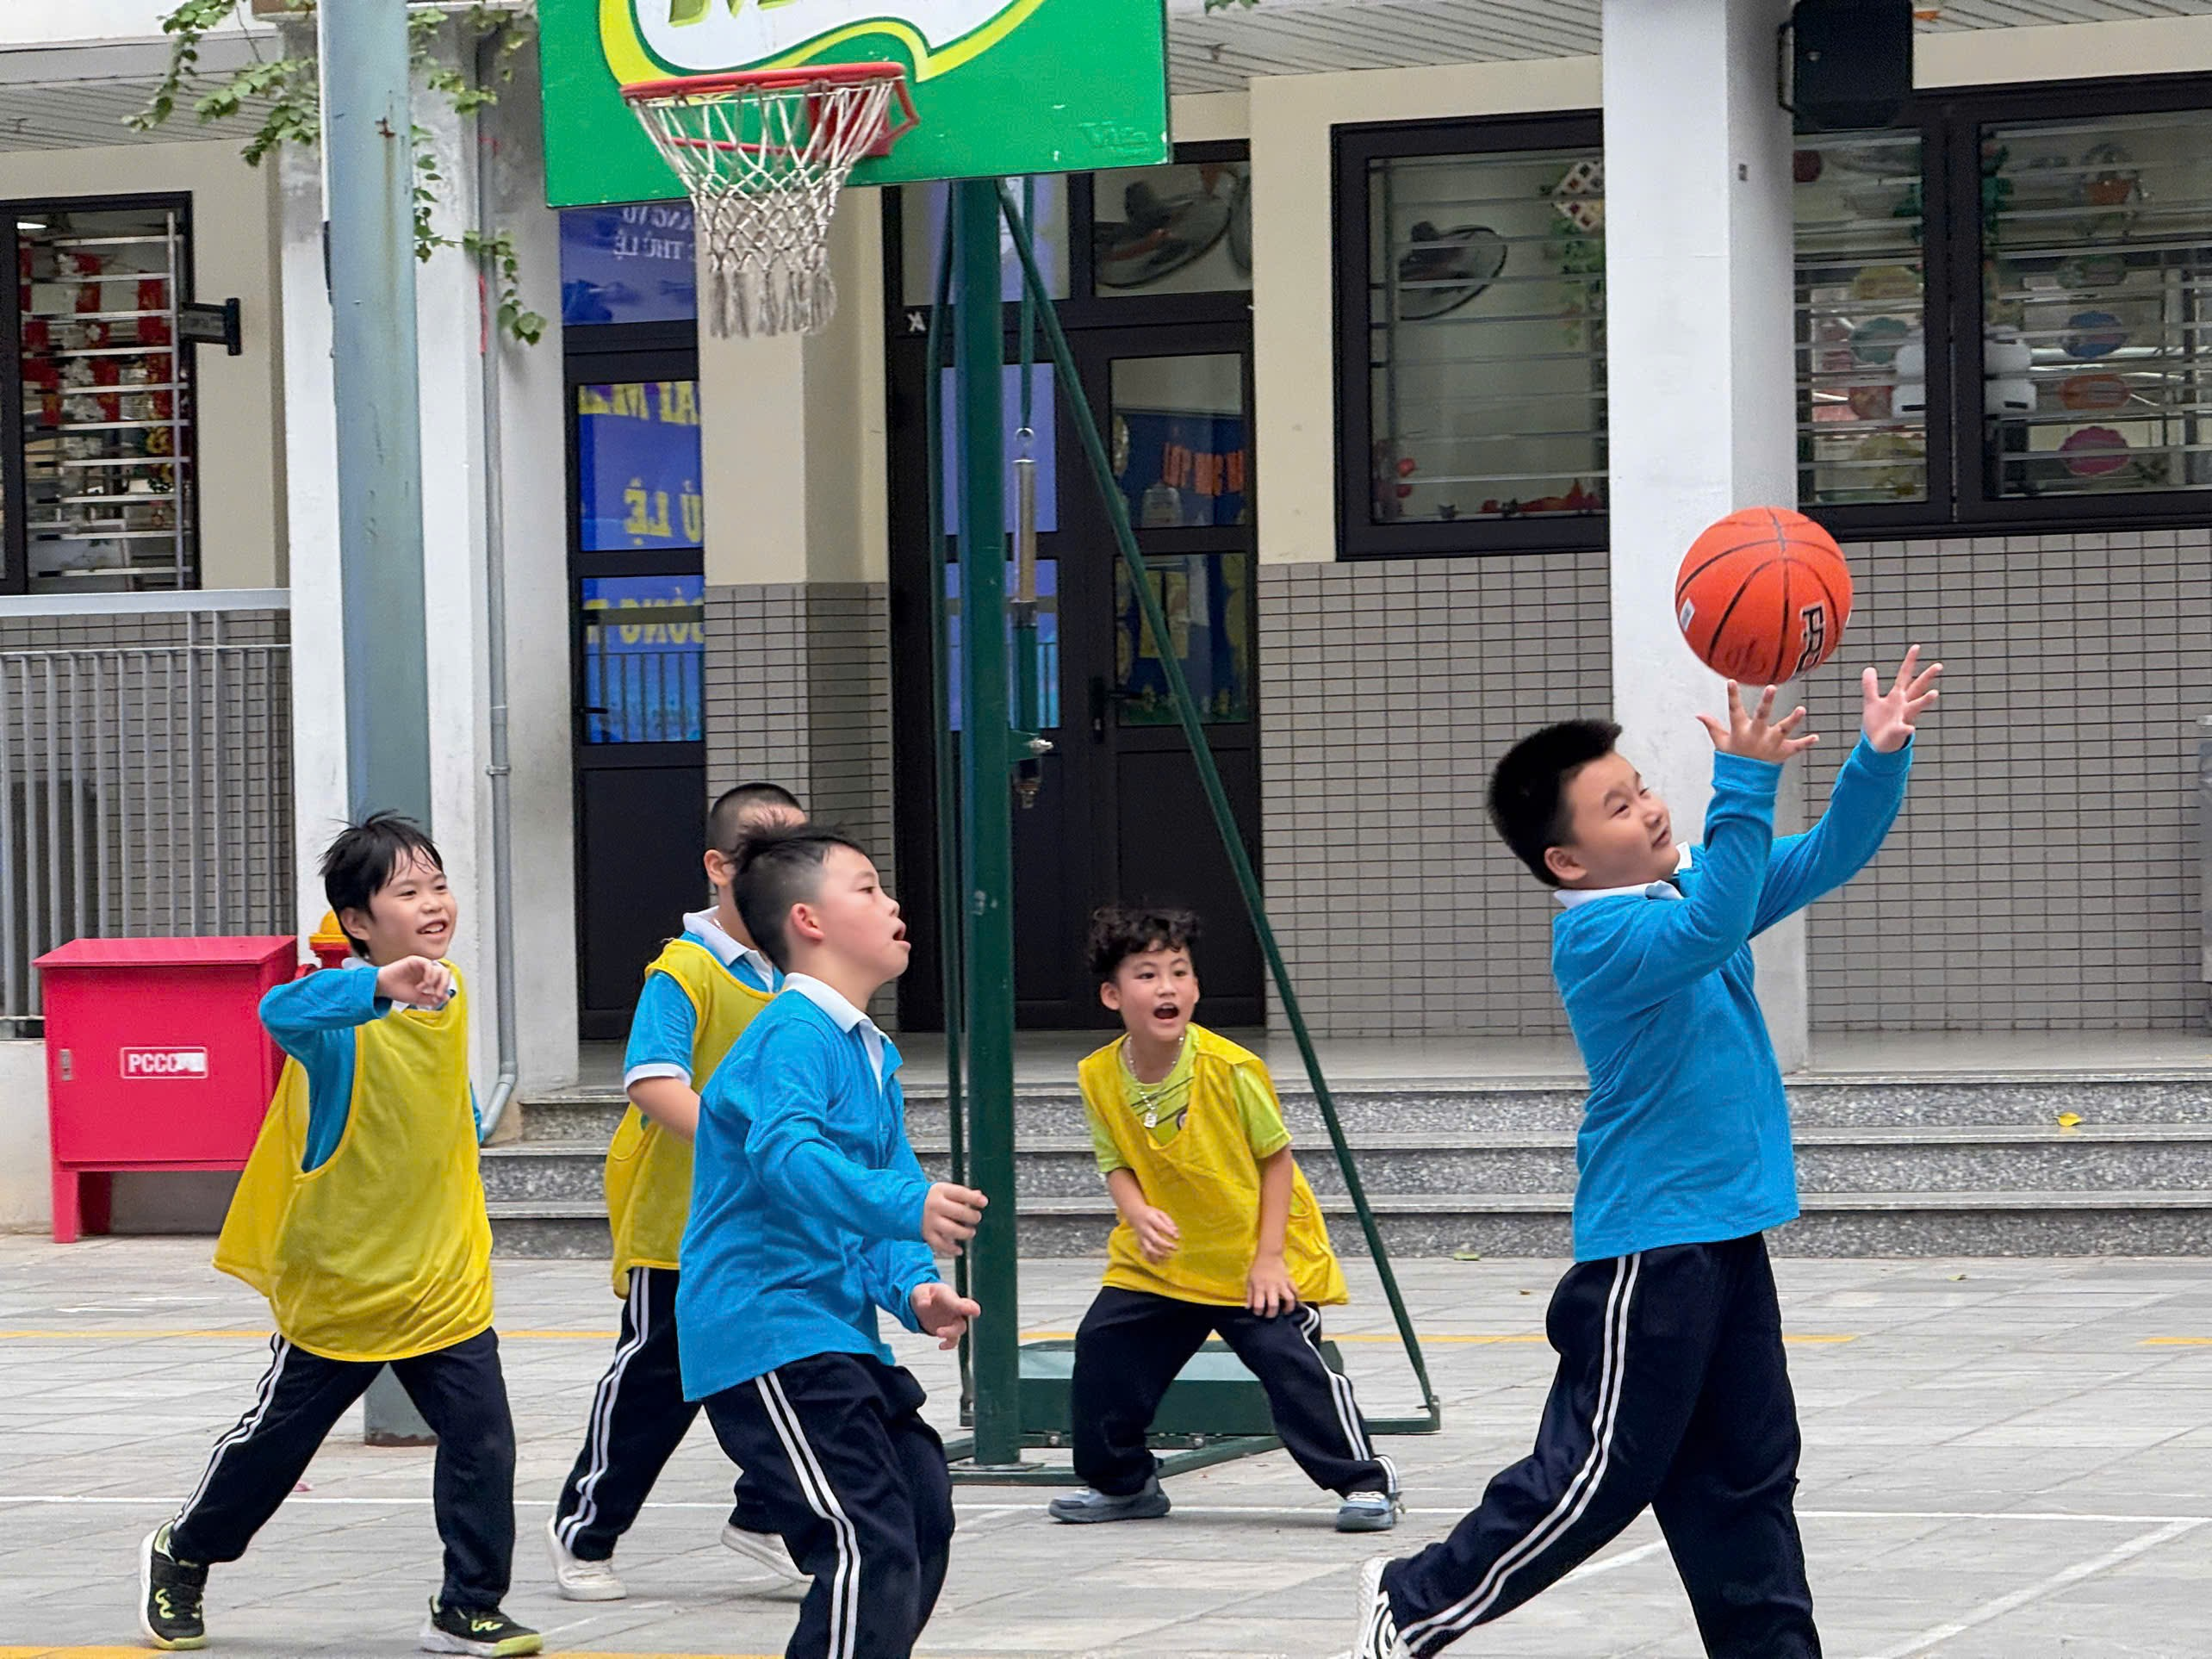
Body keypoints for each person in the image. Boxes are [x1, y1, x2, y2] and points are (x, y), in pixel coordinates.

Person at [1345, 650, 1942, 1659]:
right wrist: (1744, 784)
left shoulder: (1687, 889)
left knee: (1745, 1478)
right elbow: (1716, 925)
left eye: (1644, 788)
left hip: (1727, 1235)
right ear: (1567, 862)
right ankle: (1414, 1601)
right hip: (1650, 1252)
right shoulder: (1600, 940)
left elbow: (1824, 857)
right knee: (1599, 1475)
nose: (1653, 810)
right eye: (1618, 808)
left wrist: (1875, 754)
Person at [140, 814, 539, 1656]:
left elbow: (441, 1114)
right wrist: (378, 986)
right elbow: (276, 1007)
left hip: (440, 1276)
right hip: (344, 1280)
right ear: (359, 921)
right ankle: (185, 1551)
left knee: (483, 1442)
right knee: (276, 1446)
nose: (434, 903)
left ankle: (468, 1604)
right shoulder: (336, 1023)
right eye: (409, 891)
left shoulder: (450, 990)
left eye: (438, 885)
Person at [680, 824, 989, 1659]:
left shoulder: (869, 1053)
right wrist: (907, 1204)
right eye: (868, 887)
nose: (893, 903)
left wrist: (916, 1288)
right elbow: (789, 1158)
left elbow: (877, 1193)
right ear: (809, 921)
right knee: (865, 1539)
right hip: (764, 1330)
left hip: (831, 1332)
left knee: (921, 1515)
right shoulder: (792, 1032)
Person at [1047, 904, 1401, 1532]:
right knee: (1104, 1348)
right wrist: (1137, 1211)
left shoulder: (1231, 1068)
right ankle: (1125, 1485)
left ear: (1196, 987)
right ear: (1111, 995)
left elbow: (1276, 1162)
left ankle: (1365, 1482)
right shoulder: (1098, 1074)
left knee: (1291, 1368)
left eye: (1179, 972)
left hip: (1251, 1260)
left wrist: (1268, 1260)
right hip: (1163, 1264)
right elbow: (1115, 1160)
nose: (1168, 987)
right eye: (1148, 974)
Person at [548, 782, 811, 1601]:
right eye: (765, 861)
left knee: (802, 1369)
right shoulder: (686, 970)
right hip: (680, 1224)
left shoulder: (799, 977)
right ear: (717, 868)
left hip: (769, 1226)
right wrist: (747, 1142)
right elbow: (651, 1081)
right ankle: (587, 1532)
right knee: (654, 1388)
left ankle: (767, 1518)